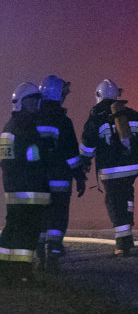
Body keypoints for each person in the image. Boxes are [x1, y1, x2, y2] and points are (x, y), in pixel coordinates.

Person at [79, 79, 138, 256]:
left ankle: (122, 243)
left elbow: (87, 147)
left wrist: (82, 166)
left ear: (98, 96)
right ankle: (128, 228)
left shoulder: (96, 119)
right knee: (127, 195)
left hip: (111, 170)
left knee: (115, 203)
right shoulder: (133, 114)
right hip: (132, 168)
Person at [0, 83, 51, 285]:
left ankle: (6, 271)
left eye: (36, 100)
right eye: (30, 100)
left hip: (15, 190)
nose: (34, 104)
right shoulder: (25, 127)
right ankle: (22, 274)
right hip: (29, 189)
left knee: (12, 230)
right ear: (20, 102)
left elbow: (6, 161)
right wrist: (44, 150)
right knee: (27, 234)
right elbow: (32, 156)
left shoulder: (10, 127)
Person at [36, 75, 87, 270]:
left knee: (40, 217)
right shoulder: (63, 121)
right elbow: (72, 154)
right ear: (58, 94)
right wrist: (80, 177)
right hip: (60, 180)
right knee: (57, 217)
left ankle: (40, 255)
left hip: (38, 181)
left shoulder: (32, 118)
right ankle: (54, 256)